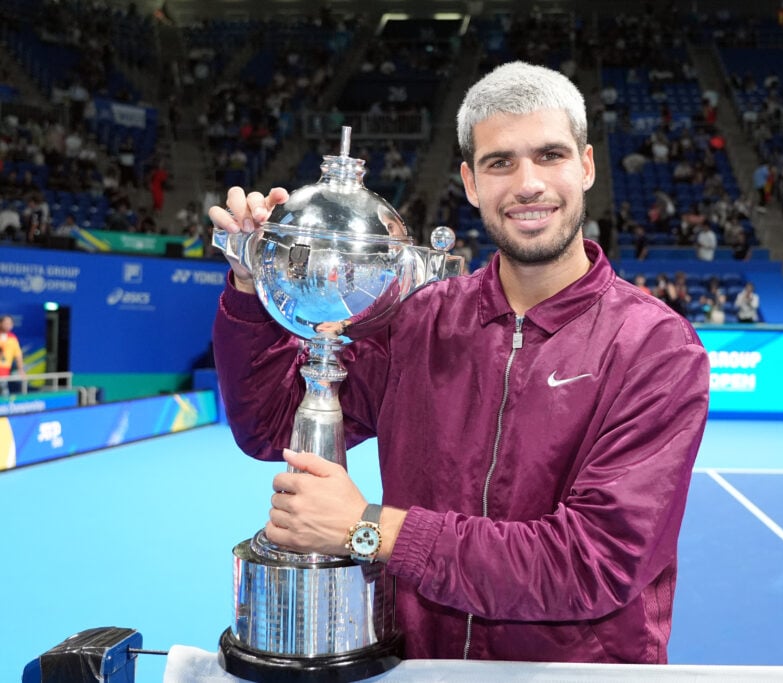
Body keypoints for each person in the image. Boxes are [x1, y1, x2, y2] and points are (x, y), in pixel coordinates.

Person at [208, 61, 710, 664]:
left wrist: (368, 527)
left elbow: (593, 563)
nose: (528, 184)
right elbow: (271, 426)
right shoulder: (416, 321)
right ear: (471, 183)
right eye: (501, 163)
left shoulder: (655, 348)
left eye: (549, 155)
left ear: (586, 166)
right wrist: (252, 281)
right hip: (421, 668)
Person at [0, 315, 25, 395]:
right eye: (6, 323)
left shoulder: (13, 338)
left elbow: (18, 355)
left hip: (4, 370)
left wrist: (21, 370)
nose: (8, 325)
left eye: (10, 323)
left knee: (4, 392)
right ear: (1, 323)